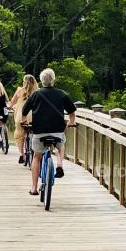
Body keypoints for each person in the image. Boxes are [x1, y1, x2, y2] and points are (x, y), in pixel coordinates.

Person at [21, 67, 77, 197]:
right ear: (53, 80)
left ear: (41, 81)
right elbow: (72, 112)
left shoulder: (36, 94)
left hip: (39, 131)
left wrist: (24, 122)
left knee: (36, 156)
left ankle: (34, 187)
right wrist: (71, 122)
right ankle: (59, 163)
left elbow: (24, 110)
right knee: (60, 144)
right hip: (57, 130)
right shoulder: (62, 94)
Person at [9, 73, 37, 162]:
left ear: (24, 82)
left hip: (21, 117)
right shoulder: (37, 91)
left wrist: (10, 107)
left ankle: (21, 154)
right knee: (35, 133)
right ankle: (35, 151)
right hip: (34, 117)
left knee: (19, 135)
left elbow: (12, 102)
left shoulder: (19, 90)